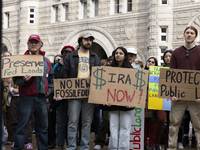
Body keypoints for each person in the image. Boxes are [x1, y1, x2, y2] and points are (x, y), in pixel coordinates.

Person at [60, 32, 100, 150]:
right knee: (73, 122)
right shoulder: (70, 57)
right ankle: (71, 147)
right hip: (74, 94)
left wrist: (97, 96)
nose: (89, 42)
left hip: (89, 95)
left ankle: (84, 147)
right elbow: (64, 76)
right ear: (80, 41)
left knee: (87, 123)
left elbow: (98, 78)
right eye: (86, 39)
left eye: (90, 40)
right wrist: (64, 92)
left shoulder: (95, 57)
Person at [13, 34, 54, 150]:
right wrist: (23, 80)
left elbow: (51, 78)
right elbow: (16, 80)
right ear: (28, 45)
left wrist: (49, 90)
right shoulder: (21, 60)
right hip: (26, 98)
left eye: (36, 42)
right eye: (31, 42)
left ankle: (43, 148)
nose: (34, 44)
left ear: (40, 45)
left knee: (43, 128)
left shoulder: (46, 61)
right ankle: (18, 148)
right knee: (22, 127)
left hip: (41, 98)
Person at [168, 26, 200, 150]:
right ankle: (171, 147)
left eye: (192, 33)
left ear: (195, 36)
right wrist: (172, 93)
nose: (189, 35)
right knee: (174, 124)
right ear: (184, 34)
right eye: (187, 32)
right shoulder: (176, 53)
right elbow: (171, 74)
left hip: (195, 96)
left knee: (198, 125)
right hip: (178, 96)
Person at [104, 47, 133, 150]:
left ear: (125, 56)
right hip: (112, 103)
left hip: (127, 103)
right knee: (113, 127)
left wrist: (131, 101)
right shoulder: (108, 70)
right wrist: (104, 100)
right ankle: (112, 148)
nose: (118, 55)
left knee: (125, 128)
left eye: (121, 53)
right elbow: (105, 86)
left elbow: (134, 88)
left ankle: (123, 148)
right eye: (116, 53)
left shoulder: (131, 70)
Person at [54, 45, 75, 150]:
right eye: (65, 51)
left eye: (70, 52)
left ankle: (72, 144)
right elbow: (53, 80)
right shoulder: (57, 66)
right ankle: (60, 144)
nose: (67, 53)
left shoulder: (76, 64)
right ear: (62, 53)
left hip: (74, 98)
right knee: (61, 122)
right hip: (61, 99)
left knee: (73, 122)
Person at [144, 57, 158, 150]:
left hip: (153, 103)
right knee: (143, 125)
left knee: (153, 126)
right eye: (149, 61)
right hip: (143, 103)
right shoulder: (140, 73)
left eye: (153, 62)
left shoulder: (158, 75)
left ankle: (151, 144)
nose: (150, 63)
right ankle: (144, 143)